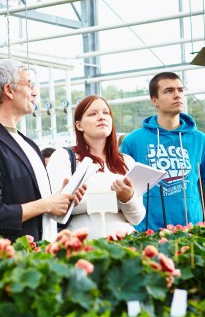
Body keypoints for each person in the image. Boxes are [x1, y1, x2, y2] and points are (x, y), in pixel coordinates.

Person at [0, 59, 81, 242]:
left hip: (41, 251)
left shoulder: (28, 144)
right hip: (12, 259)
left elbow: (37, 205)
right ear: (9, 90)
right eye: (29, 84)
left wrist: (61, 199)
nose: (35, 92)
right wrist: (46, 204)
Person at [121, 71, 205, 231]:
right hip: (146, 234)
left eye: (180, 90)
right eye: (169, 91)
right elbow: (122, 190)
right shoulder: (132, 142)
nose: (177, 95)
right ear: (155, 100)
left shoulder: (201, 141)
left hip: (191, 233)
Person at [47, 96, 145, 239]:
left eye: (106, 113)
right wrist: (118, 200)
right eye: (93, 114)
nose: (101, 117)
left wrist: (128, 198)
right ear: (79, 125)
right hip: (80, 248)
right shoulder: (64, 156)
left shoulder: (126, 161)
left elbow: (137, 218)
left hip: (124, 248)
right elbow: (54, 209)